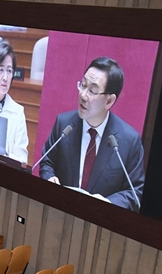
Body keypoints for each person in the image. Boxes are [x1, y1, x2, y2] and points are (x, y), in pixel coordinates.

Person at [39, 57, 145, 211]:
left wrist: (108, 203)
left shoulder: (129, 140)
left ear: (109, 101)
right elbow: (47, 161)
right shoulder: (64, 124)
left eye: (93, 91)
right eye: (83, 85)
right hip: (60, 212)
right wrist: (49, 178)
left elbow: (135, 191)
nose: (83, 95)